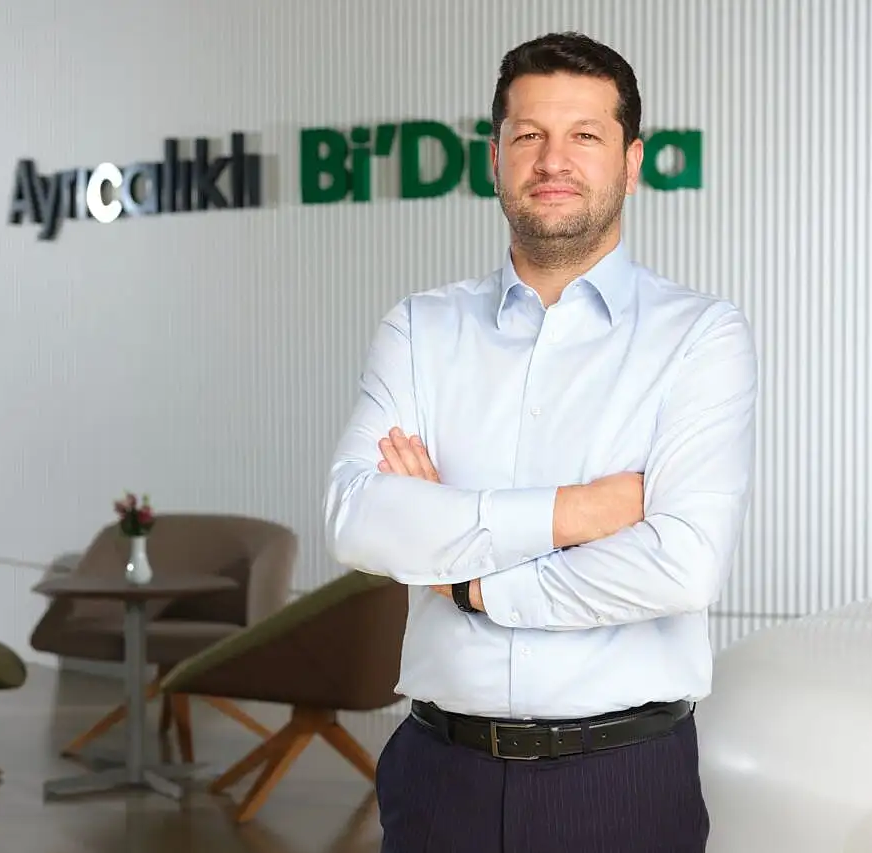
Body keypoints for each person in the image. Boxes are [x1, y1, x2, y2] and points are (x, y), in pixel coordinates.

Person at [323, 31, 757, 853]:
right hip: (437, 778)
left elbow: (681, 564)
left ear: (631, 161)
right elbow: (357, 520)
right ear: (495, 157)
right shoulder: (420, 329)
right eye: (529, 134)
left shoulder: (700, 336)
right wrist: (576, 512)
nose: (553, 159)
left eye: (584, 135)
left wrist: (467, 581)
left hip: (623, 784)